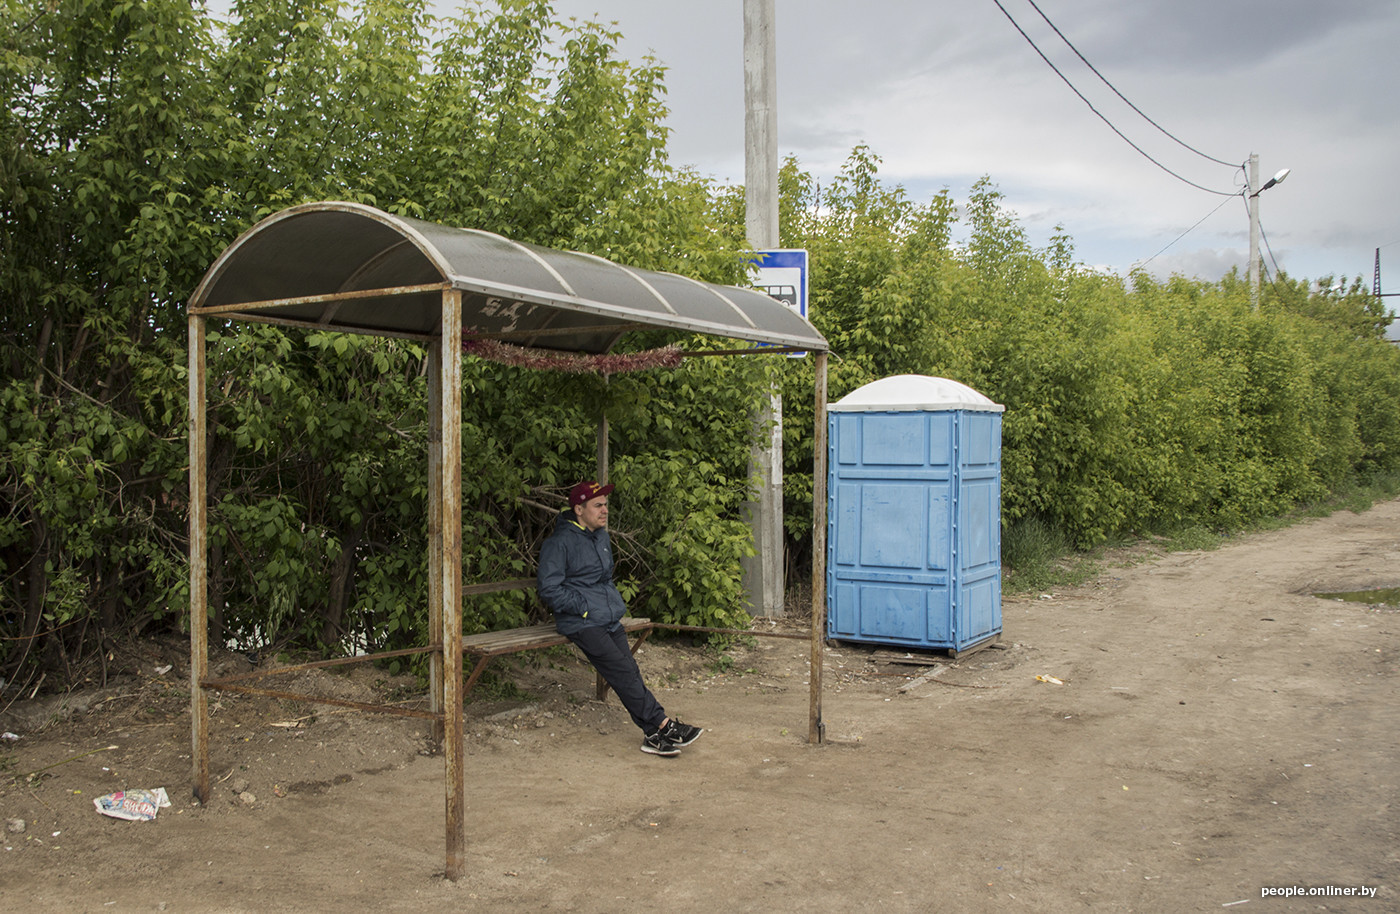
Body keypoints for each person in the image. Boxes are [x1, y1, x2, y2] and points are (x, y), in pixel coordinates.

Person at [537, 480, 703, 757]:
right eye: (598, 505)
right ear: (579, 509)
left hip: (607, 617)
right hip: (581, 621)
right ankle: (663, 724)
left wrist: (607, 606)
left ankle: (653, 734)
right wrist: (584, 607)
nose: (604, 511)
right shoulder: (559, 543)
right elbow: (549, 589)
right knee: (622, 670)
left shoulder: (600, 536)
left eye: (605, 504)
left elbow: (602, 580)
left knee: (628, 669)